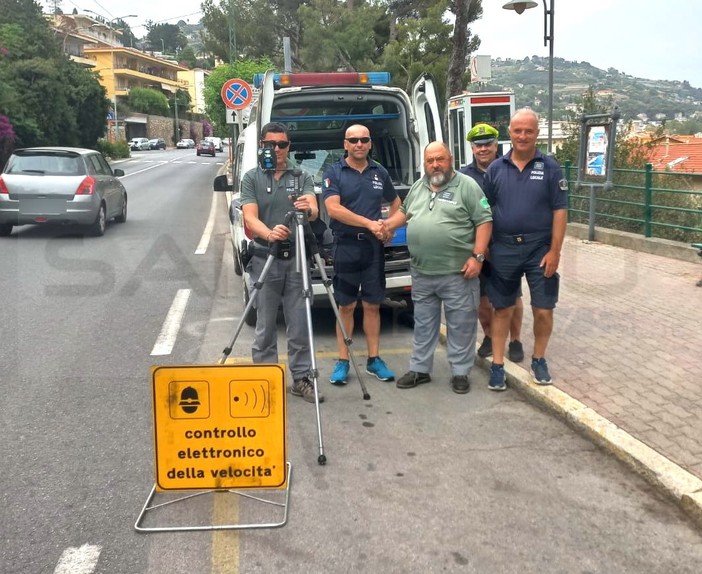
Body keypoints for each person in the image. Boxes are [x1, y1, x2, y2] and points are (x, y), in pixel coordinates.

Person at [383, 142, 492, 394]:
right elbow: (405, 212)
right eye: (430, 160)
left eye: (440, 159)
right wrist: (388, 225)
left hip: (458, 273)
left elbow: (484, 221)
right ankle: (420, 370)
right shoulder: (419, 186)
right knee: (423, 324)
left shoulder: (467, 186)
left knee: (461, 325)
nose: (435, 165)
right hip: (422, 272)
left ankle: (460, 372)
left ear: (450, 159)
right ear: (424, 163)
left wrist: (477, 257)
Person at [482, 108, 568, 391]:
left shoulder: (552, 168)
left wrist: (555, 252)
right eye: (517, 131)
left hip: (539, 250)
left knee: (543, 310)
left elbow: (559, 212)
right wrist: (486, 248)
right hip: (503, 248)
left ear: (537, 133)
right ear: (510, 133)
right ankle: (497, 364)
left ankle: (539, 359)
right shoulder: (495, 169)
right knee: (502, 309)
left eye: (528, 131)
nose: (522, 136)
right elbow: (485, 211)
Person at [240, 122, 323, 403]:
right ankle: (266, 380)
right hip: (265, 257)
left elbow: (313, 209)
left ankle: (301, 379)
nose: (276, 150)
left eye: (282, 144)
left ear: (289, 146)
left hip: (297, 258)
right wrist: (268, 233)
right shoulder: (251, 177)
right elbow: (249, 216)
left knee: (300, 324)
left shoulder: (301, 176)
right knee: (265, 325)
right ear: (262, 144)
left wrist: (308, 208)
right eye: (270, 144)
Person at [323, 124, 399, 386]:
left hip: (373, 248)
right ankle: (343, 361)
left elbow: (396, 202)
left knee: (372, 304)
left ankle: (374, 360)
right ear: (345, 144)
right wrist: (369, 223)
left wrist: (389, 226)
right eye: (353, 140)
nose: (359, 144)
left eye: (364, 140)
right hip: (345, 246)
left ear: (370, 143)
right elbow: (333, 209)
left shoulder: (380, 172)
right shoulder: (334, 172)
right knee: (346, 305)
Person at [459, 123, 525, 363]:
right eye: (478, 145)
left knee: (513, 296)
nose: (483, 149)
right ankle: (489, 336)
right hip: (478, 247)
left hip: (507, 244)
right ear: (472, 148)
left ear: (496, 145)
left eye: (488, 144)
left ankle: (515, 339)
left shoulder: (511, 169)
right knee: (483, 298)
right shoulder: (464, 176)